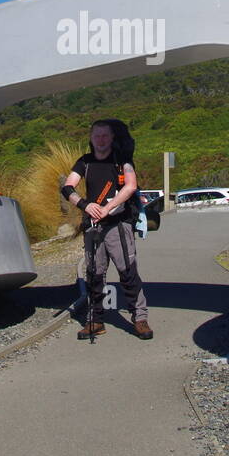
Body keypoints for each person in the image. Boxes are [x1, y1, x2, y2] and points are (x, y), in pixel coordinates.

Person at [60, 119, 153, 340]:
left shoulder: (123, 162)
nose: (100, 140)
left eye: (105, 135)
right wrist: (84, 205)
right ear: (91, 138)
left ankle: (140, 318)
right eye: (96, 136)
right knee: (94, 274)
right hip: (93, 225)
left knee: (127, 272)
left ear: (112, 138)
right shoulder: (84, 162)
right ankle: (95, 320)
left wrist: (107, 207)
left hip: (118, 224)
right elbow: (67, 187)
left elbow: (130, 186)